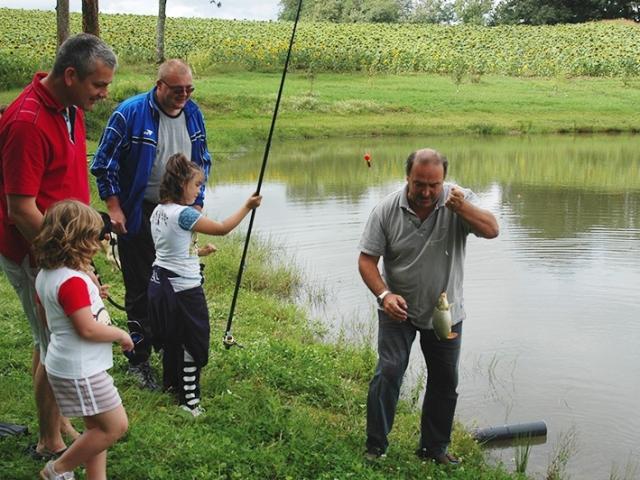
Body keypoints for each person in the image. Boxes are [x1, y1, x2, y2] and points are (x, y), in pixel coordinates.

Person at [0, 33, 116, 460]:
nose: (104, 95)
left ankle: (57, 417)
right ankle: (50, 441)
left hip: (65, 248)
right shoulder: (27, 121)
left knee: (45, 335)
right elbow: (21, 209)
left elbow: (69, 179)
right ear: (70, 75)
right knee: (57, 341)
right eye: (98, 86)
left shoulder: (70, 107)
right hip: (37, 251)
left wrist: (84, 242)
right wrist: (71, 262)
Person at [358, 148, 499, 465]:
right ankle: (376, 447)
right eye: (418, 183)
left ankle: (433, 449)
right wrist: (384, 296)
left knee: (444, 380)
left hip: (445, 312)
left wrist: (462, 208)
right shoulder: (385, 210)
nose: (425, 192)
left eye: (433, 185)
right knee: (389, 372)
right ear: (407, 177)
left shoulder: (457, 201)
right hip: (398, 309)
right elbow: (367, 260)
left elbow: (492, 229)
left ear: (444, 180)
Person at [91, 59, 211, 391]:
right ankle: (139, 359)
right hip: (139, 210)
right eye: (177, 90)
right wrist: (115, 208)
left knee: (179, 284)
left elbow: (203, 160)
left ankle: (173, 352)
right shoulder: (129, 113)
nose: (184, 95)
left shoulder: (193, 113)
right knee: (141, 286)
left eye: (189, 89)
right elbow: (105, 165)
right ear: (158, 85)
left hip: (180, 211)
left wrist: (197, 206)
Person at [147, 153, 261, 416]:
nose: (199, 190)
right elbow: (222, 228)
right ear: (181, 185)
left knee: (173, 340)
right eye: (197, 185)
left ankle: (172, 387)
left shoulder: (158, 210)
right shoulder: (185, 214)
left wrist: (199, 252)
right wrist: (248, 206)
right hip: (183, 290)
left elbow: (169, 250)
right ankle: (190, 403)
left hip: (160, 283)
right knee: (193, 344)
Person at [33, 200, 132, 480]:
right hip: (81, 370)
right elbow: (87, 330)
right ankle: (57, 470)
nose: (98, 242)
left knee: (96, 429)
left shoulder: (46, 275)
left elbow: (46, 316)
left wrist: (89, 298)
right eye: (93, 237)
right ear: (76, 241)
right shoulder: (73, 281)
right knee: (114, 426)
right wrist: (120, 334)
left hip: (65, 363)